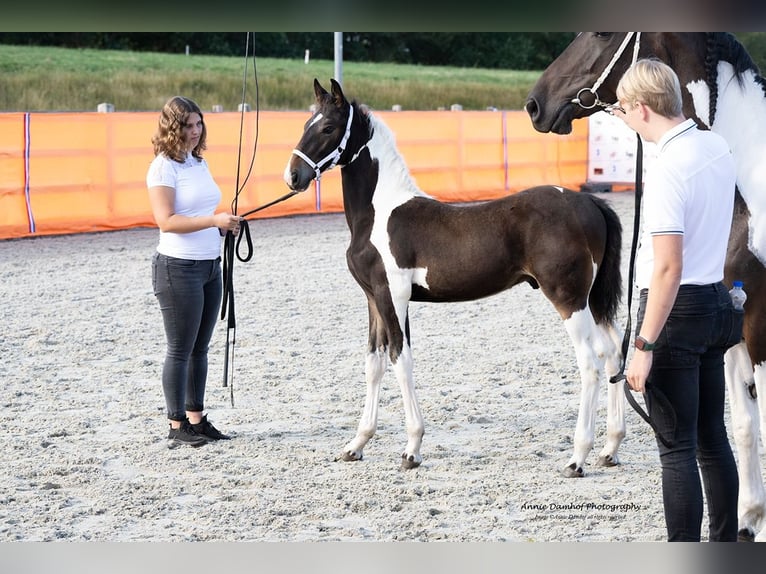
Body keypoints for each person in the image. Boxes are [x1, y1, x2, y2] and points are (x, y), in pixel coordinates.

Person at [611, 59, 741, 541]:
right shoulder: (715, 144)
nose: (621, 118)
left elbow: (667, 268)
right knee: (712, 438)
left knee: (677, 449)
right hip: (715, 304)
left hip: (675, 312)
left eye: (623, 110)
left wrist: (643, 346)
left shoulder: (668, 167)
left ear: (642, 108)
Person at [147, 96, 241, 447]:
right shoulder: (163, 168)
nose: (194, 131)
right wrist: (213, 220)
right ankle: (176, 425)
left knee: (200, 348)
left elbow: (201, 213)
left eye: (198, 124)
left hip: (209, 266)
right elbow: (166, 221)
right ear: (172, 128)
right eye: (187, 126)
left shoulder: (197, 163)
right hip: (177, 268)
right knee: (179, 348)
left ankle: (196, 419)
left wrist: (222, 227)